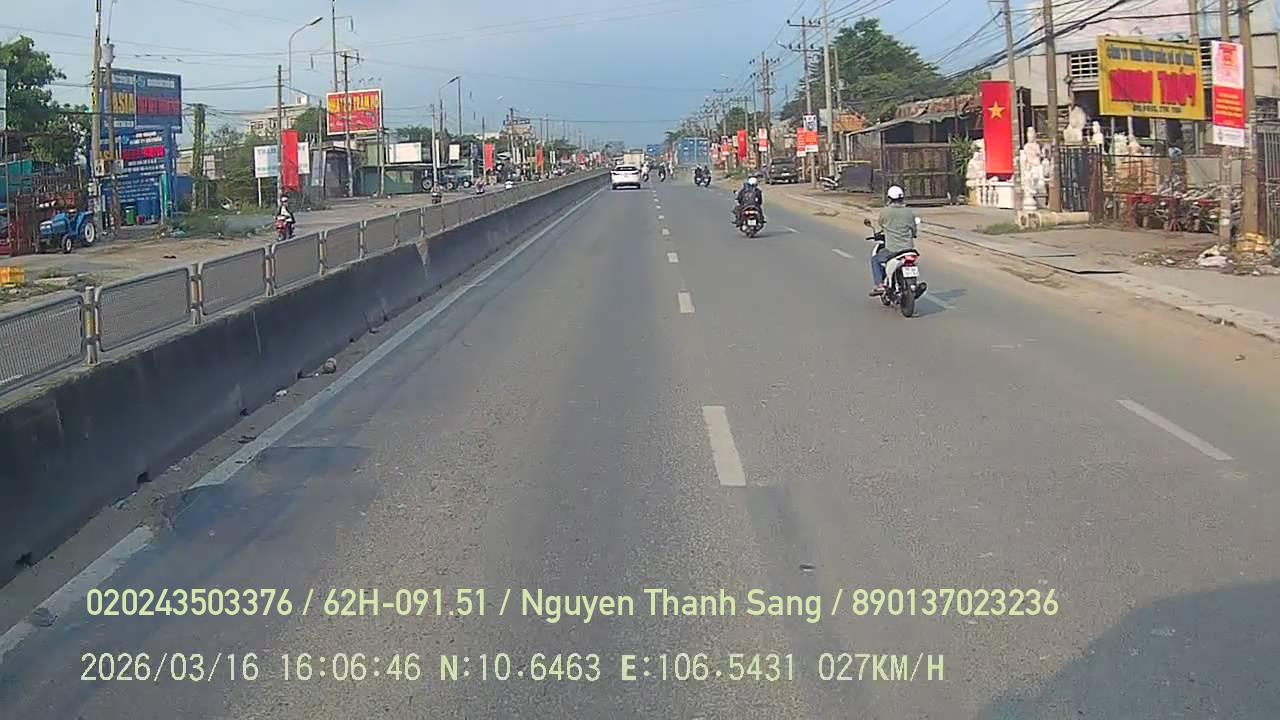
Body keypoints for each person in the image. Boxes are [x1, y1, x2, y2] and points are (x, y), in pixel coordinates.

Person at [870, 185, 918, 295]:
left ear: (889, 198)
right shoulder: (908, 212)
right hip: (908, 249)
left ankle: (880, 285)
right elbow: (913, 229)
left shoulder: (885, 212)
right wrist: (913, 235)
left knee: (875, 260)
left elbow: (881, 224)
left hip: (892, 250)